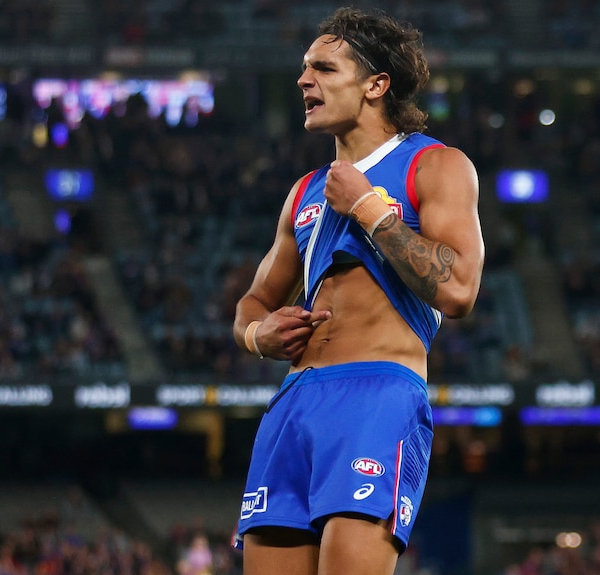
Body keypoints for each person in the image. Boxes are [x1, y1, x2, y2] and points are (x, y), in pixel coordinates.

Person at [231, 7, 485, 575]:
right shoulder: (305, 191)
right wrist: (256, 334)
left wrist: (371, 210)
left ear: (376, 85)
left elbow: (461, 289)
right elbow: (253, 301)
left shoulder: (435, 165)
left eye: (323, 68)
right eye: (303, 69)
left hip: (377, 396)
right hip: (294, 403)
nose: (303, 80)